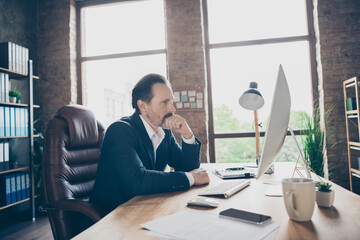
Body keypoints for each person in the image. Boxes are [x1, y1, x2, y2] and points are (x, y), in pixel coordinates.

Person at [90, 73, 210, 214]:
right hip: (113, 216)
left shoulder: (164, 133)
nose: (172, 109)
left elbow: (187, 168)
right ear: (142, 105)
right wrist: (191, 178)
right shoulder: (120, 131)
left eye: (172, 102)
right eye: (164, 102)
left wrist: (187, 135)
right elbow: (138, 181)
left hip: (146, 208)